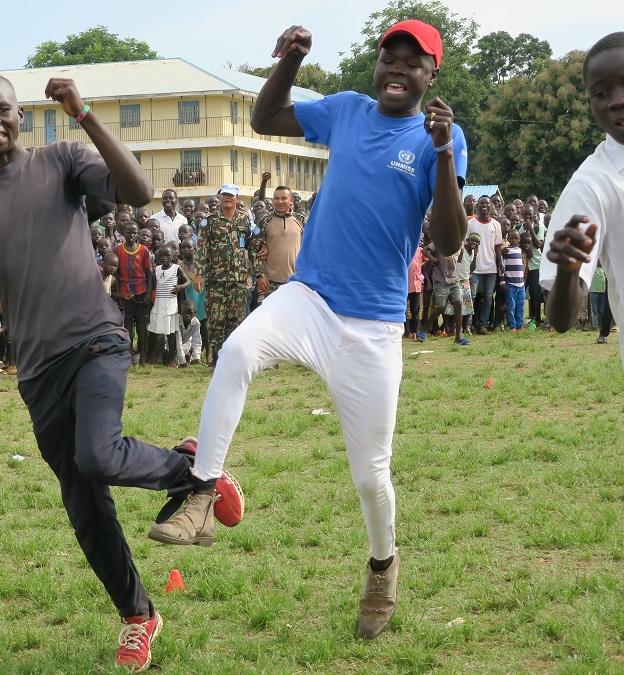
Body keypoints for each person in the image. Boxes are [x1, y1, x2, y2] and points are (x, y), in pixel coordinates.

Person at [155, 20, 468, 641]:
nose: (398, 69)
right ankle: (202, 493)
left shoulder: (442, 137)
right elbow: (266, 117)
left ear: (432, 76)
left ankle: (382, 566)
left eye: (413, 62)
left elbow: (449, 240)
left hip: (373, 326)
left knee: (370, 475)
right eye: (389, 58)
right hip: (311, 298)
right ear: (377, 66)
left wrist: (439, 153)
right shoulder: (347, 110)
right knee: (236, 350)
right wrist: (291, 62)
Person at [0, 72, 222, 672]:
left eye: (1, 110)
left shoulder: (60, 159)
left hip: (95, 339)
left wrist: (84, 114)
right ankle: (138, 616)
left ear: (20, 114)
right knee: (84, 503)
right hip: (38, 370)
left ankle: (195, 472)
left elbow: (137, 190)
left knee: (97, 454)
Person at [543, 32, 624, 363]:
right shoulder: (592, 184)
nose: (617, 100)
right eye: (601, 93)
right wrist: (567, 271)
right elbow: (560, 319)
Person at [200, 184, 261, 363]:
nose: (227, 198)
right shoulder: (209, 221)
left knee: (238, 320)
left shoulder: (245, 220)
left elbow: (253, 246)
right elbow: (202, 249)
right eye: (224, 195)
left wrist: (258, 271)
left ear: (237, 199)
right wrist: (198, 274)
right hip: (216, 280)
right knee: (216, 321)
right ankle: (217, 359)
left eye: (231, 195)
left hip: (239, 280)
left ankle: (233, 358)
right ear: (220, 198)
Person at [114, 223, 153, 364]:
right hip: (126, 295)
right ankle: (128, 355)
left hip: (141, 293)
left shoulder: (144, 250)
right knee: (128, 326)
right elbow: (116, 274)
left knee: (142, 326)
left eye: (134, 232)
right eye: (129, 232)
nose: (131, 235)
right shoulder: (117, 250)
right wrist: (119, 293)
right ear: (124, 233)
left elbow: (149, 273)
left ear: (138, 234)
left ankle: (143, 355)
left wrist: (148, 294)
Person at [147, 246, 190, 367]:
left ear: (173, 256)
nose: (164, 258)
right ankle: (153, 356)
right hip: (159, 304)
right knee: (154, 331)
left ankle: (171, 359)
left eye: (167, 255)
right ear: (158, 257)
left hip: (170, 305)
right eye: (162, 255)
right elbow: (152, 286)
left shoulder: (176, 268)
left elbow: (188, 282)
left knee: (171, 333)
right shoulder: (156, 269)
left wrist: (180, 287)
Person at [467, 196, 503, 334]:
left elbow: (498, 246)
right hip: (474, 267)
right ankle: (468, 324)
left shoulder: (496, 224)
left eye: (487, 203)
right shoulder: (471, 224)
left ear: (490, 206)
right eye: (481, 203)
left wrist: (500, 262)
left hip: (491, 267)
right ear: (477, 206)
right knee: (471, 296)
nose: (484, 206)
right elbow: (466, 244)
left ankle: (482, 325)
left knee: (488, 297)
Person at [502, 230, 526, 331]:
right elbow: (502, 267)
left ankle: (519, 325)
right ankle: (512, 326)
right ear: (508, 239)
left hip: (521, 284)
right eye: (512, 238)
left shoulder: (521, 251)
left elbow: (523, 266)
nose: (514, 240)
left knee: (520, 305)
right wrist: (502, 281)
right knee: (511, 306)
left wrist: (524, 280)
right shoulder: (506, 251)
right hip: (511, 284)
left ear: (519, 239)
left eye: (516, 238)